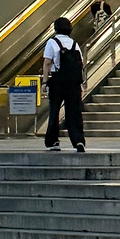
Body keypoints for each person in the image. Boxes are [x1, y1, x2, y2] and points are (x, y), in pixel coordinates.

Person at [42, 17, 86, 153]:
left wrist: (44, 82)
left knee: (55, 111)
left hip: (58, 81)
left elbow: (47, 63)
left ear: (55, 28)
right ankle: (78, 140)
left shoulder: (52, 42)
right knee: (74, 112)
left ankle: (53, 141)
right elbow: (81, 63)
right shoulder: (74, 43)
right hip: (73, 83)